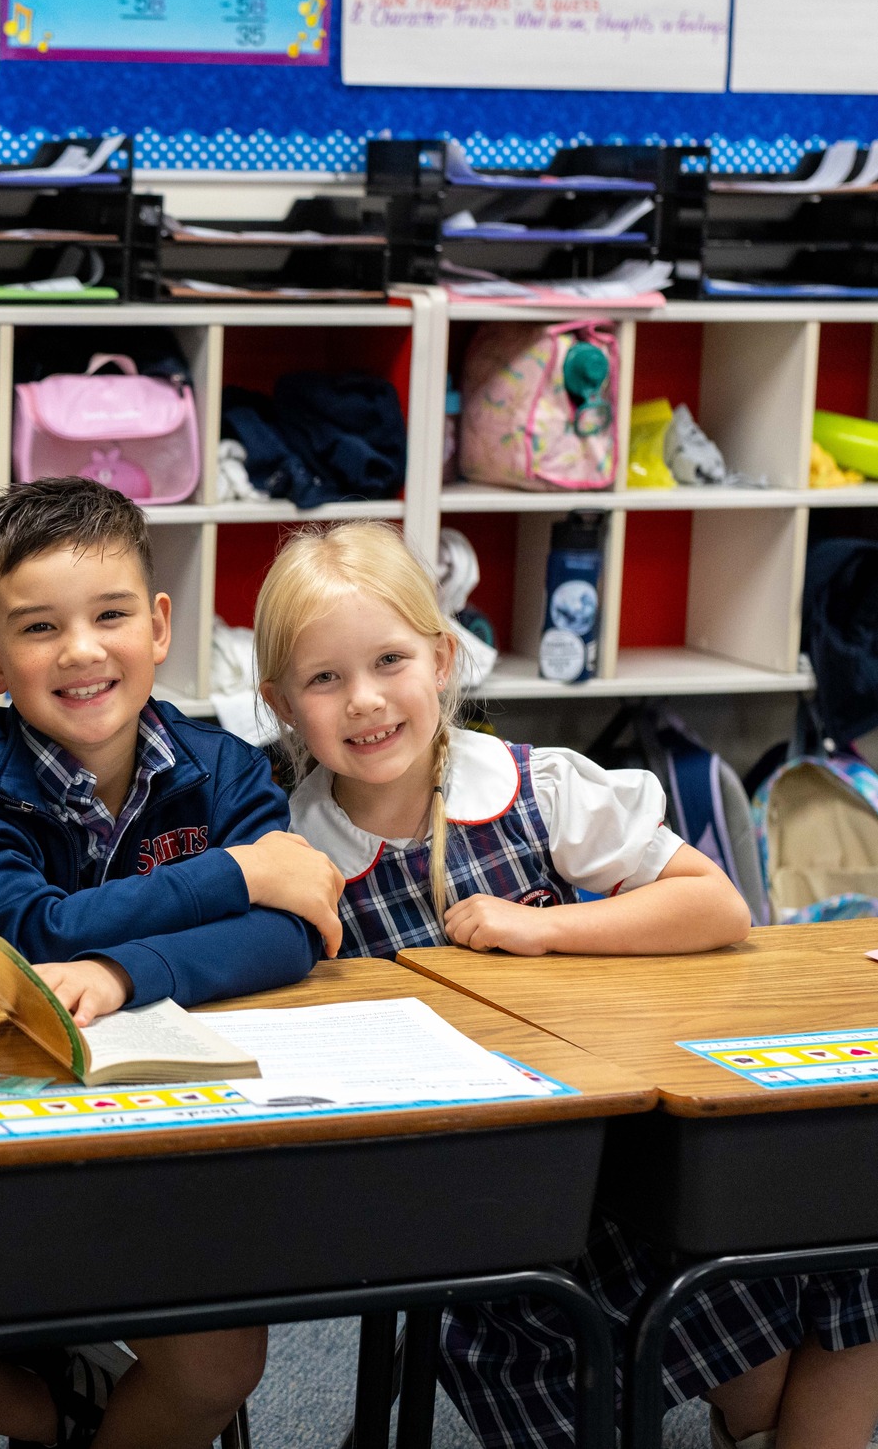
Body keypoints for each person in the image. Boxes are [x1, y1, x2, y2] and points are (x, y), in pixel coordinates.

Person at [253, 520, 878, 1449]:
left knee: (834, 1260)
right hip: (482, 1218)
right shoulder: (290, 853)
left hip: (631, 1169)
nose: (366, 700)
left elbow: (717, 911)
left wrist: (544, 927)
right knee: (752, 1343)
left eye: (389, 661)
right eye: (324, 679)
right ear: (280, 703)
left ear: (441, 658)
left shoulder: (532, 787)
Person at [0, 478, 343, 1449]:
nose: (81, 650)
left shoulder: (232, 771)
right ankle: (58, 1414)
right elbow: (38, 931)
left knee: (221, 1359)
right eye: (40, 628)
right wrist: (237, 871)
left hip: (162, 1131)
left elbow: (290, 934)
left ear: (161, 625)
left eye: (111, 614)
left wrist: (125, 974)